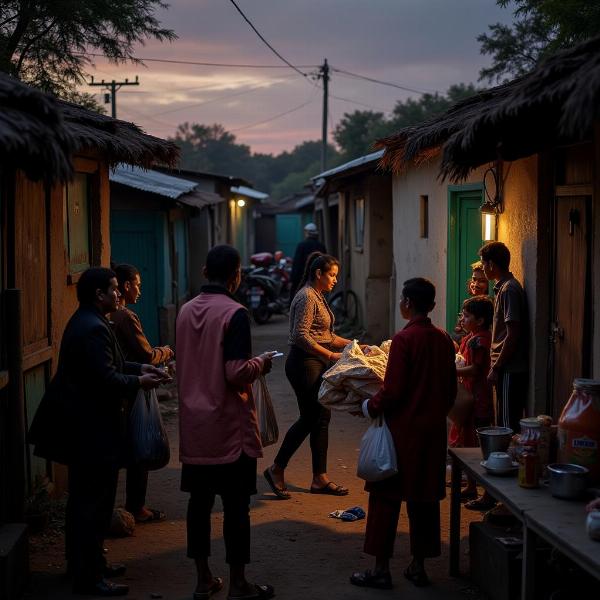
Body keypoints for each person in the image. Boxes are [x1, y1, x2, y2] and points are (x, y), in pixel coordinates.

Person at [29, 267, 168, 597]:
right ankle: (88, 576)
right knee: (90, 504)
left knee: (91, 503)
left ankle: (90, 565)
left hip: (90, 429)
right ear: (99, 295)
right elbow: (105, 380)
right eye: (114, 289)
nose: (119, 294)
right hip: (89, 431)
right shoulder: (92, 327)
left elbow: (114, 366)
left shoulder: (94, 322)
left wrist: (141, 368)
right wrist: (139, 381)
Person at [176, 245, 275, 600]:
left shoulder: (185, 311)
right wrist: (261, 363)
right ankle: (237, 584)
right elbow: (235, 372)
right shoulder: (235, 313)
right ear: (236, 276)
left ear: (205, 271)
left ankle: (203, 579)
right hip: (229, 430)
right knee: (236, 509)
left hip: (195, 428)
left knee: (198, 506)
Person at [350, 278, 456, 590]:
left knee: (385, 497)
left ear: (407, 303)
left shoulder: (404, 340)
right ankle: (418, 567)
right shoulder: (443, 339)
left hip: (401, 433)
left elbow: (392, 390)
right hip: (433, 433)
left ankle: (380, 569)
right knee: (424, 499)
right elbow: (450, 390)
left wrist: (370, 405)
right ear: (433, 306)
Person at [264, 252, 354, 499]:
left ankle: (319, 478)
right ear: (319, 274)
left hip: (315, 362)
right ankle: (276, 468)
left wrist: (353, 344)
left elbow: (326, 335)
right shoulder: (306, 297)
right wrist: (330, 355)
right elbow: (300, 336)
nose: (335, 280)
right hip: (304, 364)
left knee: (322, 417)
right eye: (332, 275)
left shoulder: (318, 296)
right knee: (311, 417)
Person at [111, 263, 173, 524]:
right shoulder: (125, 316)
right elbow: (147, 353)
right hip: (130, 389)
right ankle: (136, 507)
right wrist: (167, 351)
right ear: (126, 287)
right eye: (138, 284)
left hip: (122, 385)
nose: (139, 290)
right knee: (139, 445)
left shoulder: (110, 317)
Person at [479, 242, 528, 433]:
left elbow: (512, 333)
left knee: (508, 425)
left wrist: (497, 367)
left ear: (491, 264)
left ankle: (508, 461)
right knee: (503, 419)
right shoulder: (503, 288)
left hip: (510, 368)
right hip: (506, 367)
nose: (483, 269)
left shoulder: (509, 289)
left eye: (484, 264)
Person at [449, 296, 494, 501]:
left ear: (480, 320)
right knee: (465, 440)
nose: (462, 319)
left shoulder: (480, 340)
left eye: (466, 316)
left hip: (477, 400)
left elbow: (475, 370)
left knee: (476, 445)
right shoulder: (470, 338)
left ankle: (482, 490)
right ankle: (471, 485)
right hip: (469, 396)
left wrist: (453, 372)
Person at [289, 223, 326, 300]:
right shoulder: (321, 246)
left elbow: (297, 264)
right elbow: (325, 263)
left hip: (302, 278)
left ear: (307, 233)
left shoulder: (302, 245)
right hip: (317, 279)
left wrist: (293, 278)